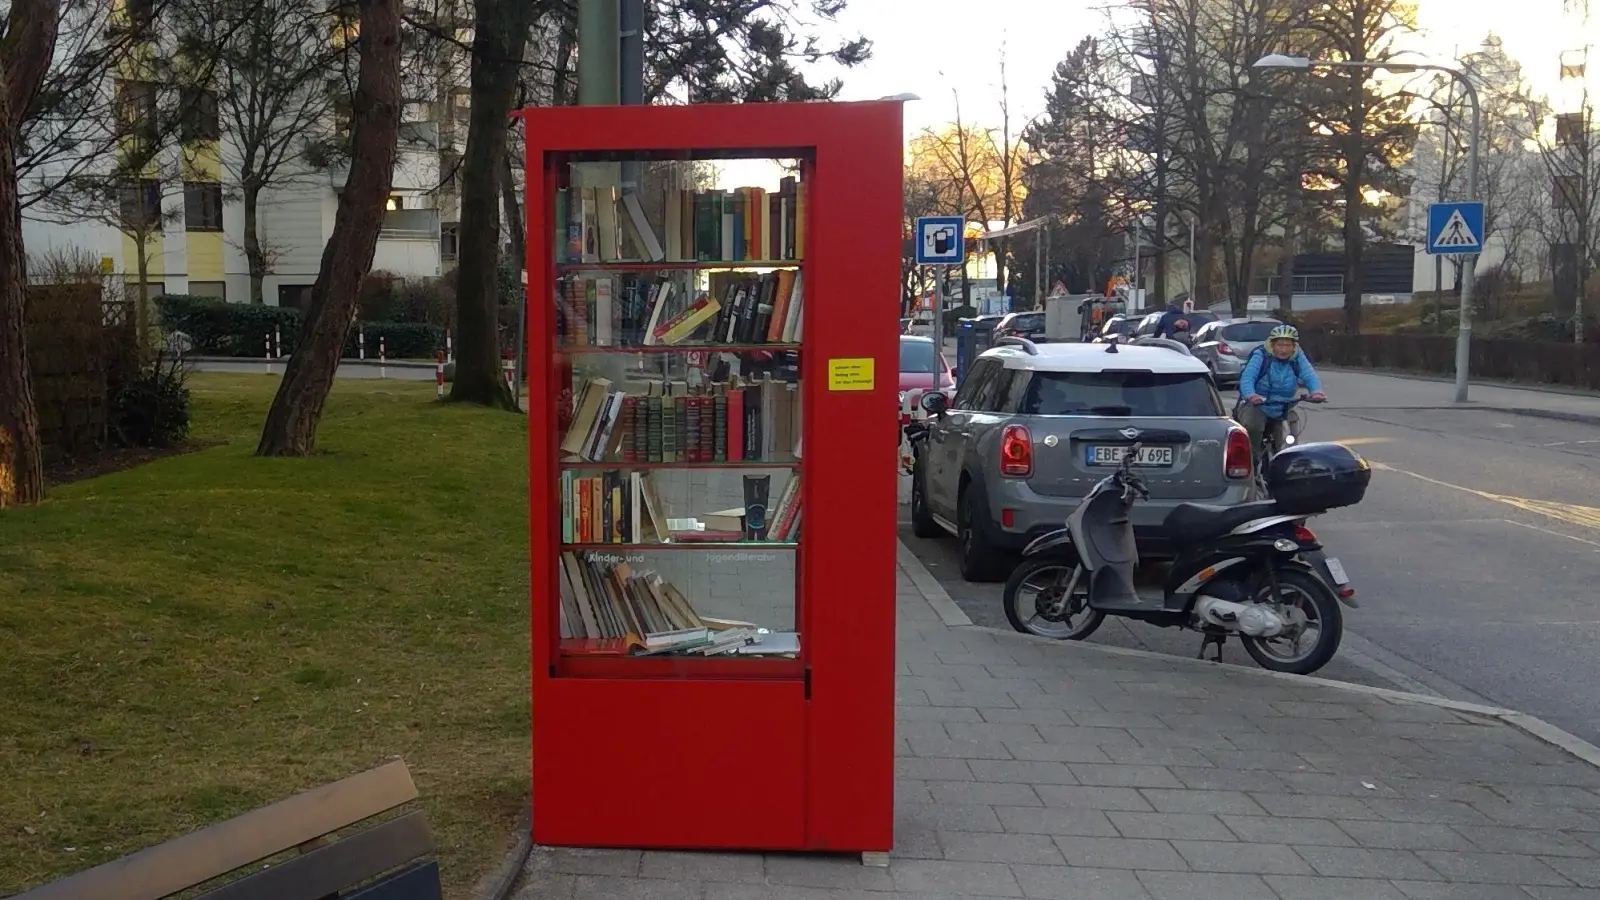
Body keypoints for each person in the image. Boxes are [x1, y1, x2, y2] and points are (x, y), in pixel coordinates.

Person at [1236, 324, 1326, 452]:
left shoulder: (1297, 356)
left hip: (1283, 404)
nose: (1283, 350)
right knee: (1253, 428)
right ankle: (1252, 458)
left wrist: (1317, 392)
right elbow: (1247, 378)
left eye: (1288, 345)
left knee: (1292, 427)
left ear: (1294, 346)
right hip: (1258, 404)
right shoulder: (1261, 355)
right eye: (1280, 345)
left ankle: (1289, 453)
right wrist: (1251, 395)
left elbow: (1308, 374)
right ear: (1272, 345)